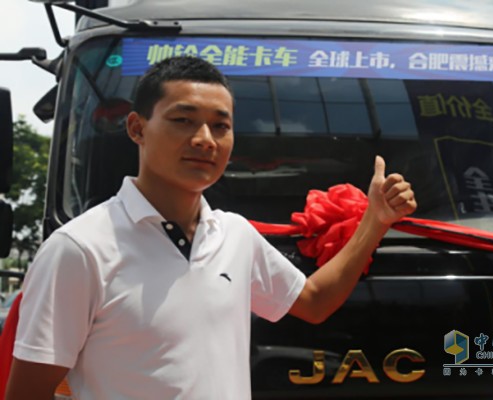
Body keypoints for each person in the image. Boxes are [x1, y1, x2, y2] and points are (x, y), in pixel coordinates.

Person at [5, 56, 416, 399]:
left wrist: (374, 222)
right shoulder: (79, 248)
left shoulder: (235, 235)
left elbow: (314, 301)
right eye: (183, 120)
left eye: (220, 126)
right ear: (137, 128)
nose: (205, 139)